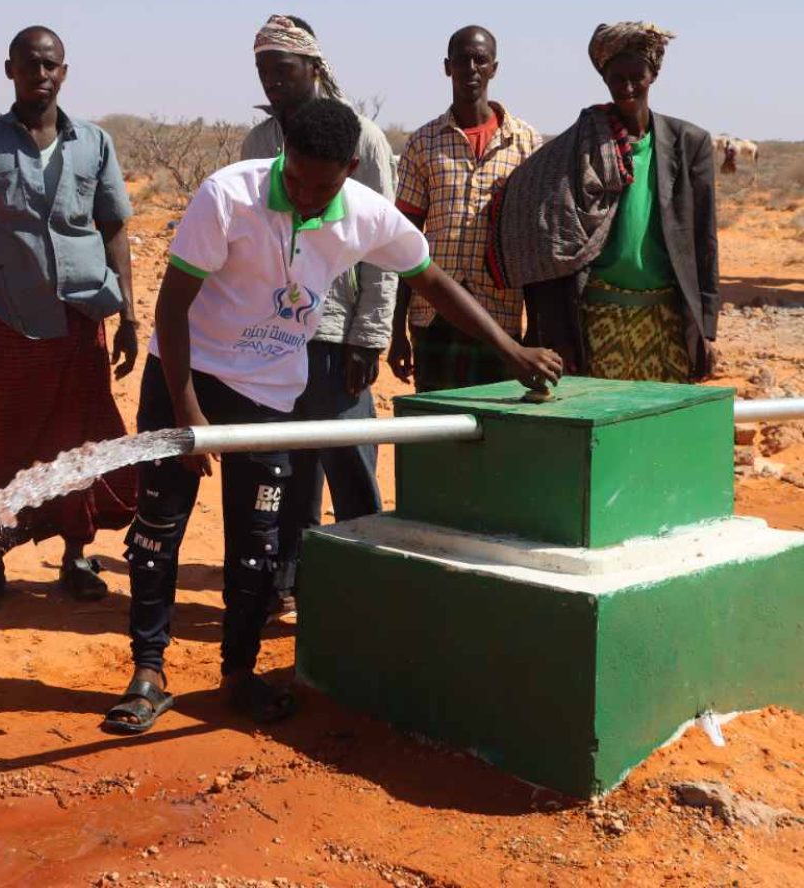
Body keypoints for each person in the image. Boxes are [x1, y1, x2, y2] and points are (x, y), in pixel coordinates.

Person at [103, 99, 562, 735]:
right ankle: (148, 671)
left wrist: (510, 352)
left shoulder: (366, 213)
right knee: (159, 527)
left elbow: (432, 281)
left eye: (323, 186)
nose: (307, 197)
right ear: (282, 153)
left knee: (258, 539)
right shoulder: (228, 196)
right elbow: (173, 305)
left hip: (270, 393)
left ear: (350, 168)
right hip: (187, 374)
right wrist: (187, 411)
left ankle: (239, 673)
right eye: (294, 180)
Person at [0, 25, 140, 612]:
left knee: (80, 443)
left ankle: (76, 556)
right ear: (9, 71)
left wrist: (130, 314)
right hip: (8, 320)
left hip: (83, 319)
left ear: (65, 71)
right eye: (30, 65)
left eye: (52, 65)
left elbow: (116, 229)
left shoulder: (95, 143)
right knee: (2, 442)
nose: (42, 75)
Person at [241, 14, 397, 611]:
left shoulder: (365, 138)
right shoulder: (257, 145)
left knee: (350, 460)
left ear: (313, 67)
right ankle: (290, 581)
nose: (272, 82)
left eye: (282, 69)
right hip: (274, 334)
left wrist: (370, 333)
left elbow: (386, 245)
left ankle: (369, 585)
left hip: (338, 329)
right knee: (285, 467)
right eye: (262, 70)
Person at [487, 21, 718, 382]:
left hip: (670, 318)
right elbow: (549, 237)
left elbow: (704, 242)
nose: (626, 87)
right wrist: (556, 332)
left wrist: (707, 328)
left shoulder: (690, 143)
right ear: (605, 79)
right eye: (616, 78)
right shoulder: (580, 146)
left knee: (660, 428)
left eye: (635, 76)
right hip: (597, 318)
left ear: (652, 75)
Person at [389, 25, 542, 392]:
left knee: (493, 432)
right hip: (432, 317)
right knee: (437, 430)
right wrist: (397, 331)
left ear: (494, 68)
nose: (471, 68)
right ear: (447, 67)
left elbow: (535, 246)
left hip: (500, 314)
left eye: (480, 59)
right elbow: (403, 242)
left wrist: (535, 327)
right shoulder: (424, 143)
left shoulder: (524, 143)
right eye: (462, 59)